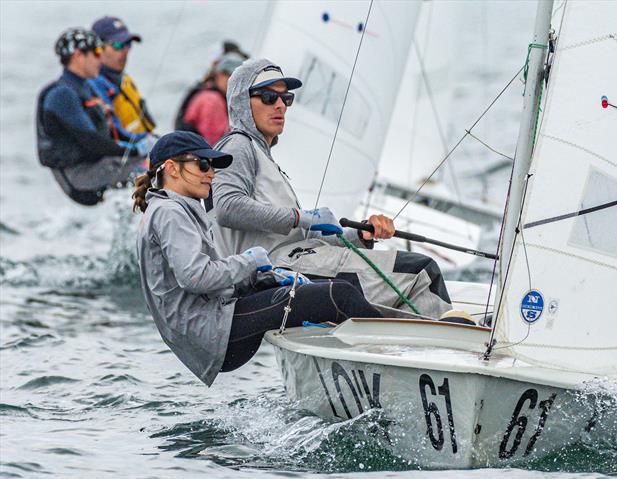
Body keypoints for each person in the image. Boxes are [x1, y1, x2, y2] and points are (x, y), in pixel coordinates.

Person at [210, 58, 453, 319]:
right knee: (421, 272)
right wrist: (301, 218)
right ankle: (453, 345)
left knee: (411, 278)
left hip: (300, 257)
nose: (280, 105)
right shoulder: (238, 145)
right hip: (280, 268)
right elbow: (227, 207)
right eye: (269, 97)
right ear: (242, 102)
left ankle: (417, 344)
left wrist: (361, 236)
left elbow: (299, 238)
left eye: (286, 98)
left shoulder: (262, 156)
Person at [133, 131, 381, 386]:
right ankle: (392, 355)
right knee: (339, 295)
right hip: (215, 332)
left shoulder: (174, 208)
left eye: (213, 166)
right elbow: (196, 277)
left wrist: (261, 277)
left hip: (216, 323)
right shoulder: (169, 212)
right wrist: (249, 261)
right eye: (204, 164)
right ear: (172, 169)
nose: (212, 174)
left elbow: (202, 280)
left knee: (332, 287)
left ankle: (356, 368)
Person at [36, 28, 140, 206]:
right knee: (158, 172)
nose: (101, 59)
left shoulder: (86, 87)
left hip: (99, 166)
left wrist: (147, 144)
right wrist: (135, 151)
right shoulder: (62, 94)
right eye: (97, 52)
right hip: (80, 181)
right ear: (78, 56)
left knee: (163, 161)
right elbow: (92, 141)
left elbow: (112, 131)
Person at [89, 16, 156, 140]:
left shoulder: (124, 78)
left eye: (128, 44)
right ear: (98, 49)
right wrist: (146, 144)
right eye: (118, 45)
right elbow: (112, 136)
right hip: (124, 155)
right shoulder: (94, 86)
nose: (125, 51)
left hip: (144, 152)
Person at [174, 52, 246, 146]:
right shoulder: (212, 100)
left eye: (238, 78)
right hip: (198, 156)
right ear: (218, 74)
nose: (232, 81)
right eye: (228, 75)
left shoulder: (206, 92)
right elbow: (216, 143)